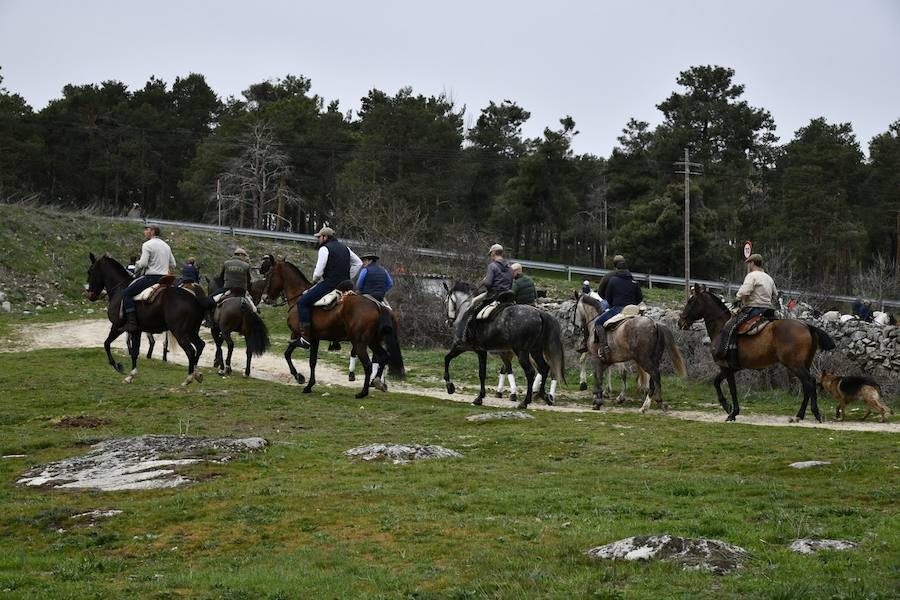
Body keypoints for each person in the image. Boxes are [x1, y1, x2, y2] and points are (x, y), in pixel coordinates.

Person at [296, 226, 363, 347]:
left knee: (303, 302)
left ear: (325, 237)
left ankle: (305, 337)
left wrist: (314, 281)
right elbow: (358, 263)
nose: (318, 240)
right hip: (346, 285)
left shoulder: (324, 249)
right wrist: (349, 276)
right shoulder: (345, 248)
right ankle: (335, 340)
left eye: (319, 237)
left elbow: (318, 272)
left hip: (330, 284)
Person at [714, 253, 778, 363]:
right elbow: (775, 295)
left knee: (729, 327)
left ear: (752, 263)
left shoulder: (752, 276)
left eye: (748, 263)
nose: (748, 266)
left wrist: (738, 298)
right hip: (768, 310)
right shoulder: (769, 278)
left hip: (753, 309)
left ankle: (725, 355)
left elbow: (745, 291)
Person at [122, 224, 176, 333]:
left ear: (152, 231)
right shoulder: (166, 246)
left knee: (126, 294)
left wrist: (136, 265)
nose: (144, 232)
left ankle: (132, 322)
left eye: (146, 230)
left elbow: (143, 263)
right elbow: (173, 264)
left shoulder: (147, 245)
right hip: (165, 278)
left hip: (151, 278)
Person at [591, 254, 643, 360]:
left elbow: (607, 297)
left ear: (615, 267)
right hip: (634, 310)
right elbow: (640, 298)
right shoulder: (633, 280)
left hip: (618, 309)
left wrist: (612, 303)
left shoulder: (612, 279)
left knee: (598, 322)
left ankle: (604, 347)